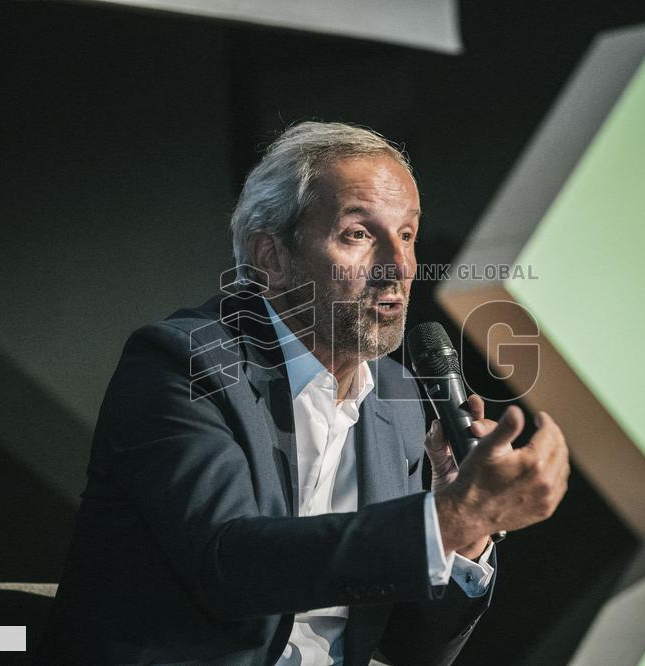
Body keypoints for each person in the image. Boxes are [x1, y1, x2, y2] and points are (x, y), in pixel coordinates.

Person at [37, 122, 570, 665]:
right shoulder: (182, 363)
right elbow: (229, 566)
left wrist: (466, 535)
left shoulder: (398, 399)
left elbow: (413, 649)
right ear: (272, 257)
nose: (400, 267)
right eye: (359, 234)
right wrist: (443, 521)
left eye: (407, 234)